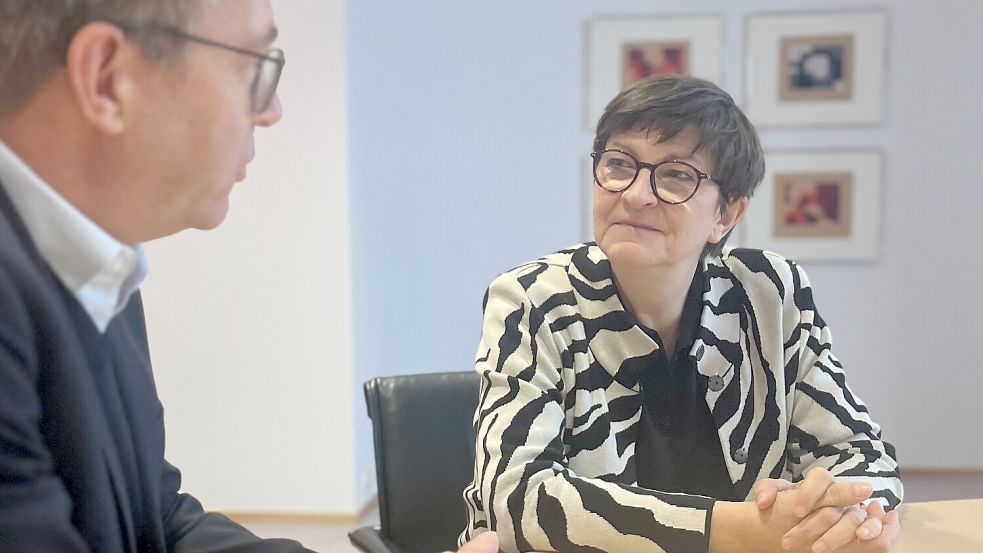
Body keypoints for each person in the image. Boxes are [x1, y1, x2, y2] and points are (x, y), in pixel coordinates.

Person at [0, 1, 498, 552]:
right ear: (107, 79)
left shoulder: (100, 269)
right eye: (251, 68)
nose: (273, 109)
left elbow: (160, 520)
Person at [460, 75, 902, 553]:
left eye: (675, 175)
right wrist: (742, 530)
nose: (634, 194)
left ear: (726, 216)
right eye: (618, 164)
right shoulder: (534, 300)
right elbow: (518, 499)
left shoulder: (769, 295)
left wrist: (854, 513)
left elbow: (859, 452)